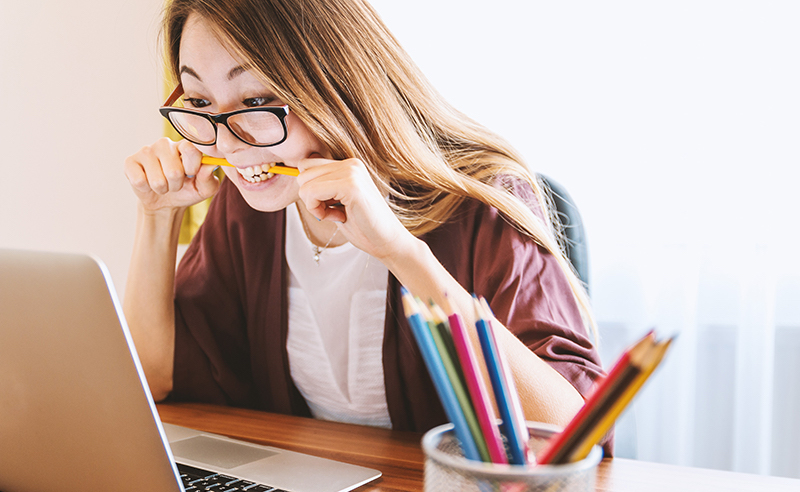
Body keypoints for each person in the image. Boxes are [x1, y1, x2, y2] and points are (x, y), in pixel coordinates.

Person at [124, 0, 607, 447]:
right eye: (202, 102)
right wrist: (158, 216)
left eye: (255, 101)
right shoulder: (248, 208)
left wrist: (401, 252)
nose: (228, 145)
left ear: (335, 83)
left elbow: (571, 435)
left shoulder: (482, 201)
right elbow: (153, 377)